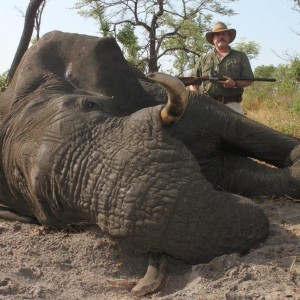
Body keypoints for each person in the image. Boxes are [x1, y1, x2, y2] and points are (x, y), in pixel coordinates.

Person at [190, 21, 254, 114]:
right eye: (217, 35)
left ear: (229, 37)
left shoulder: (240, 56)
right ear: (213, 39)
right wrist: (197, 101)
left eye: (224, 34)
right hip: (208, 106)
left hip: (233, 106)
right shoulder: (203, 59)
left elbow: (249, 80)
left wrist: (235, 84)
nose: (220, 37)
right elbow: (193, 83)